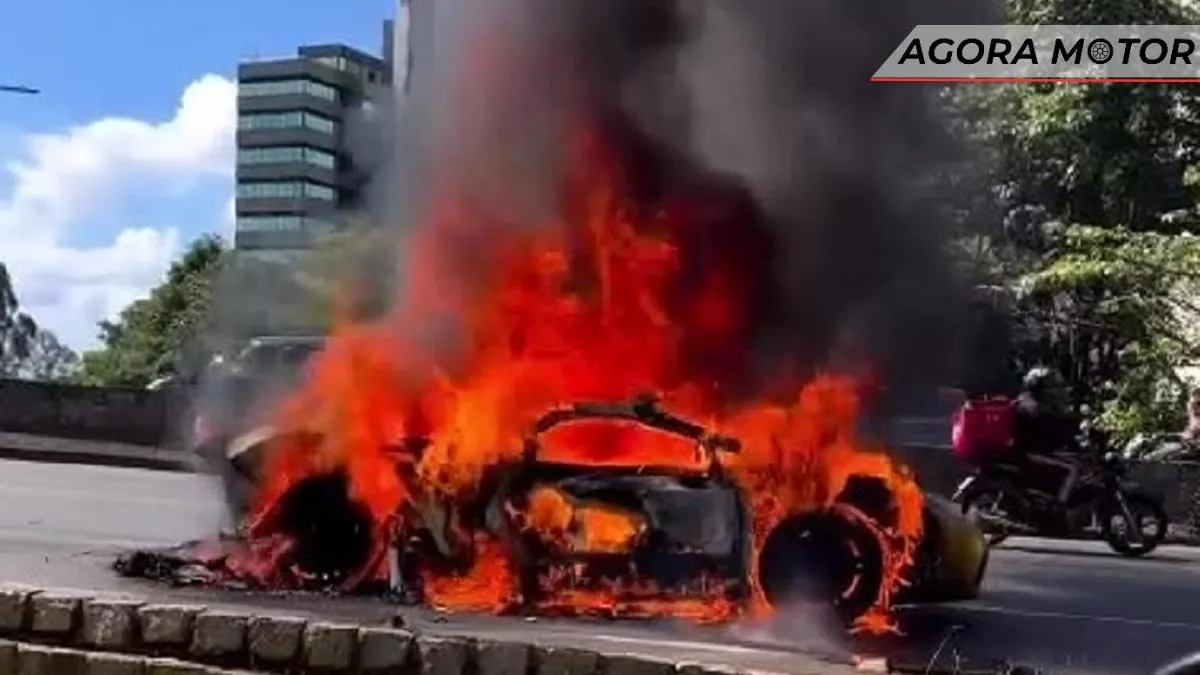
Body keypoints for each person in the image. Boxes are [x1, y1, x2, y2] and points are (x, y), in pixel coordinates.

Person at [1011, 366, 1085, 504]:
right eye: (1054, 386)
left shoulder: (1029, 402)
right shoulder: (1036, 409)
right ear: (1040, 389)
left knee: (1076, 460)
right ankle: (1058, 509)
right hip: (1031, 453)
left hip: (1038, 450)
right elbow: (1056, 433)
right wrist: (1075, 444)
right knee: (1074, 469)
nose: (1059, 390)